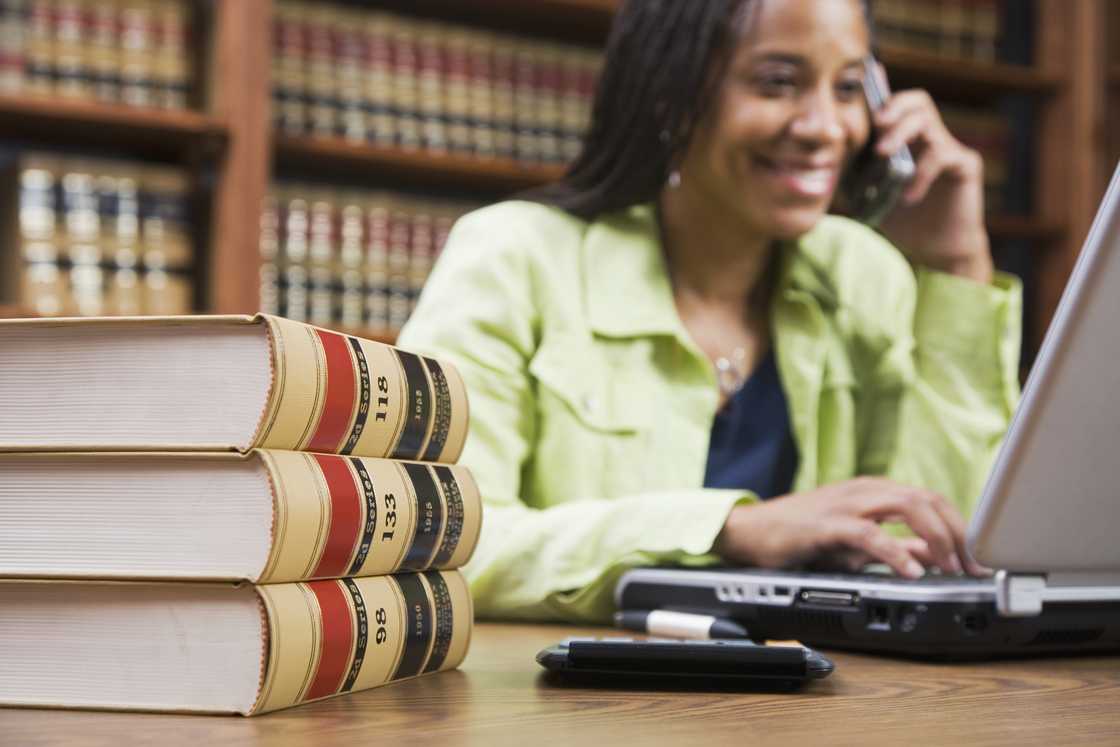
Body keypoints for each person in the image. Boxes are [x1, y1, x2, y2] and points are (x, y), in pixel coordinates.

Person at [398, 0, 1021, 622]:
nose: (825, 126)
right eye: (778, 83)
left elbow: (942, 545)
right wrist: (729, 529)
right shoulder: (514, 257)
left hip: (817, 702)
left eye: (850, 88)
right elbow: (436, 537)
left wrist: (956, 269)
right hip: (580, 704)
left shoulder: (864, 276)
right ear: (671, 92)